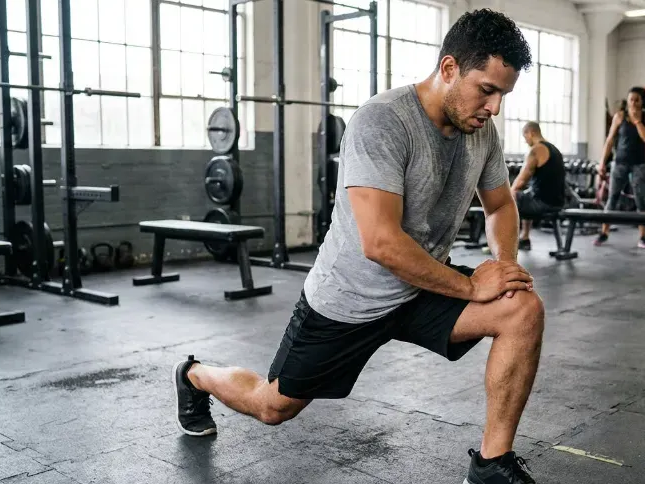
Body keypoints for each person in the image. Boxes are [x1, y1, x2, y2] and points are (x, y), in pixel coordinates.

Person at [171, 10, 543, 484]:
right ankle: (195, 375)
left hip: (422, 286)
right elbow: (382, 244)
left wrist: (503, 266)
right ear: (449, 69)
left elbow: (499, 206)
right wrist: (472, 288)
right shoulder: (382, 120)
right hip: (349, 298)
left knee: (521, 309)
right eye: (486, 90)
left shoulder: (482, 133)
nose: (494, 107)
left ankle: (491, 465)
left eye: (503, 95)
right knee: (272, 406)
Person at [595, 87, 645, 249]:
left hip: (639, 164)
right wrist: (602, 162)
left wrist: (636, 121)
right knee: (612, 197)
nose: (633, 103)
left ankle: (642, 237)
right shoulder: (619, 116)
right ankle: (604, 232)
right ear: (627, 101)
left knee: (641, 199)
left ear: (642, 102)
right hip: (620, 162)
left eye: (637, 100)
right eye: (631, 99)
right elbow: (609, 141)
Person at [511, 121, 566, 250]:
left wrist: (509, 193)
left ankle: (504, 243)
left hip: (543, 204)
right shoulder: (554, 149)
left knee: (510, 196)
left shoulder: (536, 150)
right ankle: (524, 238)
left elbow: (521, 181)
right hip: (558, 203)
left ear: (531, 133)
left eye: (525, 137)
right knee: (526, 194)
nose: (525, 141)